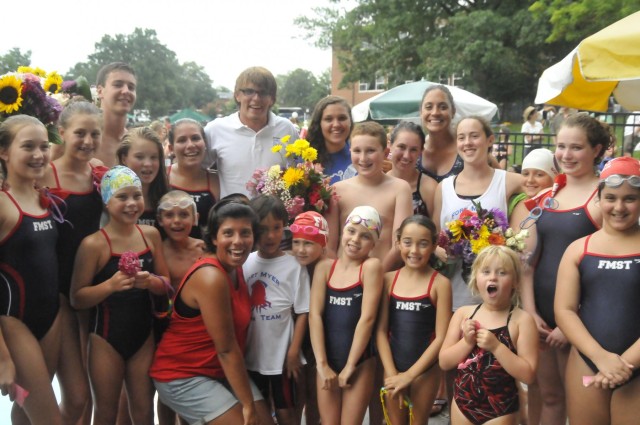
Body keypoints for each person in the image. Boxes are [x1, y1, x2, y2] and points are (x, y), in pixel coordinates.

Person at [149, 199, 273, 425]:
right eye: (228, 233)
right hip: (182, 375)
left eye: (245, 233)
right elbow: (226, 349)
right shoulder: (211, 276)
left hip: (218, 370)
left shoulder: (236, 267)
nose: (238, 241)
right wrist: (247, 406)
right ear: (215, 238)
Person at [521, 114, 610, 425]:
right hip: (542, 317)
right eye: (561, 147)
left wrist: (570, 324)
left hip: (583, 319)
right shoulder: (548, 197)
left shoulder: (604, 198)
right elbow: (528, 263)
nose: (566, 155)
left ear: (597, 149)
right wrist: (531, 312)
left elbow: (608, 272)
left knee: (581, 404)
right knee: (550, 397)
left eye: (576, 147)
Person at [70, 165, 170, 424]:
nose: (131, 203)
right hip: (105, 339)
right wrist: (110, 286)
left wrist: (149, 283)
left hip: (143, 336)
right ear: (106, 201)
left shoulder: (151, 236)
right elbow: (77, 298)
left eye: (136, 195)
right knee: (106, 412)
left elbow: (166, 284)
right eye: (122, 197)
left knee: (144, 410)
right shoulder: (94, 244)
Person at [555, 157, 640, 425]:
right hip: (587, 360)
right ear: (599, 199)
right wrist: (600, 358)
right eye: (611, 197)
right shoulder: (579, 249)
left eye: (630, 199)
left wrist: (622, 364)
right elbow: (564, 311)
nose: (619, 207)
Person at [39, 100, 106, 424]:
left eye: (95, 133)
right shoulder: (44, 174)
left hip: (89, 289)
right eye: (80, 133)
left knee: (85, 395)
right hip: (54, 293)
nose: (88, 141)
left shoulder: (99, 174)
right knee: (53, 390)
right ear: (62, 132)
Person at [0, 115, 63, 425]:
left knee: (25, 410)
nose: (39, 154)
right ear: (4, 152)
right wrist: (2, 358)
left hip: (51, 319)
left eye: (43, 146)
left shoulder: (44, 198)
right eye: (28, 146)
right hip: (13, 324)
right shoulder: (1, 203)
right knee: (50, 419)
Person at [439, 246, 539, 425]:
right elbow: (444, 362)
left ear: (515, 281)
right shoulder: (463, 314)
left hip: (500, 410)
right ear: (476, 278)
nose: (493, 277)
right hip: (463, 404)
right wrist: (466, 342)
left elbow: (528, 374)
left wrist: (496, 347)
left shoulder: (521, 320)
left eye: (502, 273)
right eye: (486, 271)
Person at [433, 116, 522, 311]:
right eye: (461, 137)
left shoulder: (510, 182)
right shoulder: (444, 188)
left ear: (490, 140)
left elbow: (545, 189)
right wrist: (440, 250)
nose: (467, 143)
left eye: (474, 136)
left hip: (496, 300)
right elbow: (435, 238)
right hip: (454, 297)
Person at [309, 206, 384, 425]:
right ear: (342, 231)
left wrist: (350, 365)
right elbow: (315, 315)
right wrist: (322, 364)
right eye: (351, 231)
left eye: (365, 236)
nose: (355, 239)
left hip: (359, 363)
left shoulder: (370, 267)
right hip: (327, 361)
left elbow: (367, 318)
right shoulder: (324, 268)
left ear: (374, 244)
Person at [376, 215, 452, 424]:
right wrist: (392, 372)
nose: (414, 251)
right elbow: (381, 331)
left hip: (424, 372)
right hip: (393, 367)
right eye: (408, 242)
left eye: (423, 244)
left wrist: (410, 375)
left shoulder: (440, 284)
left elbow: (441, 337)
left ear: (434, 245)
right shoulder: (388, 280)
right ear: (398, 242)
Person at [242, 195, 310, 425]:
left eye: (276, 227)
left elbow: (303, 312)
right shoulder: (245, 262)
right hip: (251, 356)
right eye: (262, 229)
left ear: (285, 227)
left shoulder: (294, 266)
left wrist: (293, 352)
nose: (270, 235)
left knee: (285, 410)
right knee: (258, 411)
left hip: (281, 358)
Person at [325, 121, 413, 272]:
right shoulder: (337, 190)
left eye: (370, 150)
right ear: (350, 151)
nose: (363, 158)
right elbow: (330, 245)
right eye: (357, 151)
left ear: (385, 153)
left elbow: (399, 245)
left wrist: (375, 277)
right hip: (344, 279)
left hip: (384, 275)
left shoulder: (400, 189)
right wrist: (342, 278)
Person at [204, 66, 299, 198]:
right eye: (249, 91)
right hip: (233, 215)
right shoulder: (215, 130)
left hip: (275, 217)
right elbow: (198, 171)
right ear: (237, 95)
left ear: (272, 99)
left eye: (263, 93)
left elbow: (298, 171)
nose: (256, 98)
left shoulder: (286, 129)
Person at [155, 190, 205, 425]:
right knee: (167, 391)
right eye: (170, 215)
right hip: (167, 328)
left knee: (192, 391)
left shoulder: (204, 249)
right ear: (159, 219)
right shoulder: (158, 251)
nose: (177, 221)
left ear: (194, 218)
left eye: (183, 214)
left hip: (199, 330)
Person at [289, 210, 329, 425]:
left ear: (322, 245)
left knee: (315, 398)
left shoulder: (332, 269)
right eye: (296, 243)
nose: (301, 250)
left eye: (308, 244)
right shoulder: (290, 265)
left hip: (322, 343)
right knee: (296, 396)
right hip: (297, 340)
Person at [167, 119, 220, 239]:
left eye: (195, 138)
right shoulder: (161, 177)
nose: (190, 145)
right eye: (182, 140)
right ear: (171, 148)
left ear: (205, 143)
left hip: (205, 255)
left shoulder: (217, 181)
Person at [117, 127, 169, 228]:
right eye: (139, 157)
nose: (148, 164)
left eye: (154, 157)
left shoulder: (168, 200)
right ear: (124, 159)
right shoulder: (111, 199)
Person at [386, 121, 438, 217]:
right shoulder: (380, 183)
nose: (406, 156)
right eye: (401, 147)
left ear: (421, 152)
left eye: (413, 150)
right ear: (390, 145)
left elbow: (437, 229)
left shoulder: (429, 188)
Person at [417, 85, 464, 183]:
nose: (435, 113)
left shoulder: (466, 147)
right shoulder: (414, 150)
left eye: (443, 107)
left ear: (453, 111)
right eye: (429, 107)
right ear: (421, 112)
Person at [306, 95, 357, 184]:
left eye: (342, 118)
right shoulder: (304, 160)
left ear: (350, 122)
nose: (336, 124)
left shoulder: (361, 158)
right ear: (319, 123)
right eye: (328, 119)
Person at [94, 62, 137, 167]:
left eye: (131, 87)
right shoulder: (83, 140)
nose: (126, 91)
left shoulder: (136, 142)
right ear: (100, 91)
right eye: (118, 85)